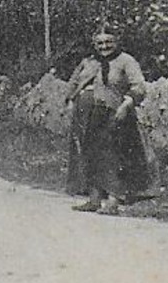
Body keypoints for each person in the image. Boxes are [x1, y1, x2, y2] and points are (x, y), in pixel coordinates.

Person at [63, 28, 154, 215]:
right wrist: (71, 101)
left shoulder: (126, 61)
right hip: (87, 116)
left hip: (114, 114)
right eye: (100, 43)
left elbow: (139, 86)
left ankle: (113, 201)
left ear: (116, 41)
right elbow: (73, 83)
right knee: (89, 153)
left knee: (113, 156)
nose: (104, 47)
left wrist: (126, 105)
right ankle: (94, 199)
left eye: (108, 42)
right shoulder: (89, 62)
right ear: (94, 44)